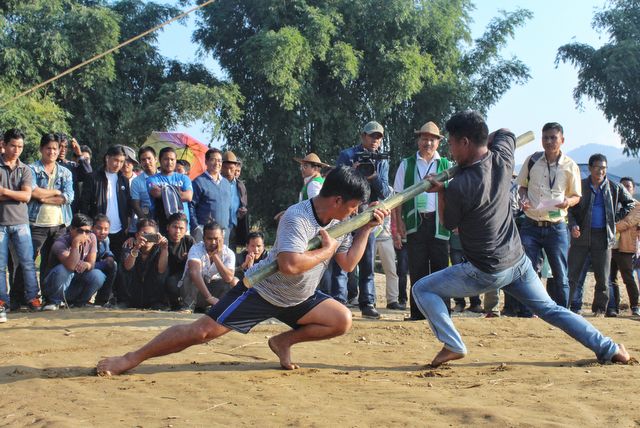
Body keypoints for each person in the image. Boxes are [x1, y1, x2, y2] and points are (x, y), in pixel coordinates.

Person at [96, 166, 388, 375]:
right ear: (337, 200)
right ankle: (132, 358)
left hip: (300, 297)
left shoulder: (342, 222)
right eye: (353, 208)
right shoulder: (297, 217)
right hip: (262, 289)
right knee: (202, 332)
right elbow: (289, 266)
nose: (354, 212)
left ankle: (283, 341)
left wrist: (365, 230)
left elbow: (348, 263)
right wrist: (326, 250)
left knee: (341, 320)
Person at [411, 110, 630, 367]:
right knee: (552, 310)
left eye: (451, 142)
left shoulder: (461, 185)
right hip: (517, 262)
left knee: (422, 288)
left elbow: (448, 223)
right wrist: (485, 141)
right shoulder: (503, 158)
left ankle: (452, 343)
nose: (450, 149)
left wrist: (440, 191)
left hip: (485, 270)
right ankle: (609, 348)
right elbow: (506, 134)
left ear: (465, 142)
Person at [516, 122, 581, 310]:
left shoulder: (570, 166)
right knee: (527, 272)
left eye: (553, 137)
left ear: (562, 140)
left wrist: (567, 202)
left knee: (560, 274)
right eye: (545, 137)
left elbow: (577, 196)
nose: (549, 141)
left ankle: (563, 314)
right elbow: (522, 187)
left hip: (556, 226)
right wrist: (523, 199)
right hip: (531, 224)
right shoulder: (532, 160)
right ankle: (528, 313)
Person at [332, 121, 391, 319]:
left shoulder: (382, 160)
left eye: (379, 137)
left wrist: (373, 176)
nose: (375, 140)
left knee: (367, 261)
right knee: (341, 258)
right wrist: (353, 172)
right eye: (372, 135)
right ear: (363, 136)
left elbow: (384, 191)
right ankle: (339, 302)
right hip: (347, 212)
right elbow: (337, 183)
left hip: (368, 214)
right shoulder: (347, 155)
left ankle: (368, 302)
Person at [393, 121, 450, 321]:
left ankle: (443, 314)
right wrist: (398, 225)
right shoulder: (406, 163)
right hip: (415, 222)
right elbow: (397, 197)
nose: (428, 143)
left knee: (441, 271)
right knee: (417, 270)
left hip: (439, 223)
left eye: (432, 139)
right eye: (424, 138)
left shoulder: (446, 165)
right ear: (418, 140)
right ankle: (417, 314)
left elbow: (454, 195)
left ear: (438, 143)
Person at [567, 154, 635, 316]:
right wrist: (573, 224)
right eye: (597, 167)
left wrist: (614, 218)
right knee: (573, 274)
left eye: (603, 168)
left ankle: (599, 310)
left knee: (603, 277)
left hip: (603, 236)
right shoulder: (580, 186)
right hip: (581, 235)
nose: (601, 171)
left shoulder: (614, 187)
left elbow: (630, 203)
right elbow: (570, 209)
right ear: (590, 168)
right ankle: (566, 306)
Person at [12, 134, 74, 310]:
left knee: (52, 262)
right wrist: (55, 192)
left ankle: (50, 299)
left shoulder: (65, 172)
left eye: (55, 148)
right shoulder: (31, 169)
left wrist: (44, 195)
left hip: (59, 223)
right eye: (48, 148)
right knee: (27, 261)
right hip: (36, 223)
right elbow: (32, 193)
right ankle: (18, 298)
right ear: (41, 149)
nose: (52, 152)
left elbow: (68, 197)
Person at [0, 129, 41, 318]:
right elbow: (22, 194)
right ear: (4, 144)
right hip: (1, 223)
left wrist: (4, 192)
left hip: (21, 222)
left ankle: (33, 297)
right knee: (0, 266)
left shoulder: (25, 169)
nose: (17, 150)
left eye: (20, 146)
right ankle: (2, 301)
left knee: (27, 263)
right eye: (13, 145)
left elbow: (26, 196)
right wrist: (15, 193)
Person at [79, 145, 131, 265]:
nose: (118, 164)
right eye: (116, 160)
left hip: (119, 230)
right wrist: (87, 227)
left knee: (116, 265)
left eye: (122, 161)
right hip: (97, 231)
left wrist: (127, 223)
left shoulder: (124, 180)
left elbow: (128, 203)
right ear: (107, 158)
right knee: (96, 264)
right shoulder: (93, 178)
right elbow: (84, 204)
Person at [42, 213, 106, 310]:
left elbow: (92, 264)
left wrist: (86, 264)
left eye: (87, 231)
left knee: (98, 275)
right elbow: (71, 266)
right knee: (63, 269)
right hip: (55, 284)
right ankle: (54, 302)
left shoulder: (92, 237)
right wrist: (75, 244)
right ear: (72, 229)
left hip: (74, 282)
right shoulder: (60, 243)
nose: (84, 235)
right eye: (80, 231)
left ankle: (79, 303)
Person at [178, 221, 236, 312]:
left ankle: (217, 309)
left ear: (222, 238)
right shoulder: (195, 249)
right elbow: (194, 272)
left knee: (233, 281)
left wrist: (215, 256)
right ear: (204, 238)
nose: (213, 242)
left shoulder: (229, 253)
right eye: (209, 239)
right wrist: (209, 297)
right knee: (191, 273)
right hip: (197, 294)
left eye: (216, 239)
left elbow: (228, 278)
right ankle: (188, 307)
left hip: (215, 294)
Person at [120, 218, 169, 309]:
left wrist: (164, 249)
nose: (147, 238)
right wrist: (136, 248)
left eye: (151, 235)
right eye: (144, 234)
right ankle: (125, 301)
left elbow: (161, 270)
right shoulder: (130, 245)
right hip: (131, 294)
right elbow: (127, 267)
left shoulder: (160, 248)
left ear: (157, 236)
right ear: (137, 235)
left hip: (154, 297)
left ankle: (156, 303)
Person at [608, 177, 640, 316]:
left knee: (628, 278)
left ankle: (634, 306)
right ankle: (613, 308)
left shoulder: (637, 206)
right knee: (610, 278)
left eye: (628, 186)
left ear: (633, 189)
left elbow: (627, 223)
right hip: (610, 247)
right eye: (623, 187)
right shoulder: (612, 204)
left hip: (626, 248)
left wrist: (607, 227)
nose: (625, 189)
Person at [147, 147, 193, 234]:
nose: (169, 162)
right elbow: (156, 193)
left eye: (172, 159)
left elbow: (188, 196)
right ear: (160, 161)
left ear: (176, 161)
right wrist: (178, 191)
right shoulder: (152, 179)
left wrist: (164, 190)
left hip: (182, 225)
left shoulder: (184, 178)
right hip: (161, 224)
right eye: (166, 159)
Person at [189, 148, 231, 242]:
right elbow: (191, 205)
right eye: (213, 160)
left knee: (222, 257)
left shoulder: (226, 183)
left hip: (223, 232)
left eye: (219, 161)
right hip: (205, 231)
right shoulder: (198, 182)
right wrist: (196, 227)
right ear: (206, 161)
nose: (217, 163)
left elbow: (229, 207)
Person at [163, 212, 195, 310]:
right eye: (174, 227)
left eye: (181, 228)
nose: (177, 231)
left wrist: (189, 258)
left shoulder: (189, 241)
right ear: (168, 227)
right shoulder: (162, 240)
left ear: (186, 230)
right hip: (164, 274)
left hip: (183, 275)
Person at [57, 134, 92, 214]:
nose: (63, 150)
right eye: (60, 146)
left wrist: (79, 154)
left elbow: (89, 174)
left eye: (65, 147)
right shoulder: (45, 166)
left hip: (70, 211)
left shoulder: (71, 166)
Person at [221, 151, 248, 252]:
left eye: (231, 169)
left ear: (236, 167)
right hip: (219, 227)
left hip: (233, 227)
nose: (228, 172)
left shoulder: (240, 186)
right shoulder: (216, 183)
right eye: (225, 168)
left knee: (231, 256)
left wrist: (243, 211)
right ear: (221, 167)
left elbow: (244, 204)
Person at [92, 214, 118, 307]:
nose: (102, 232)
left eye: (106, 229)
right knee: (96, 275)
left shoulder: (106, 239)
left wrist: (110, 256)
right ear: (92, 227)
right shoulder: (87, 238)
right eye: (99, 228)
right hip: (84, 268)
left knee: (113, 264)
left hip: (96, 265)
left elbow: (107, 251)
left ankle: (101, 300)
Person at [130, 146, 157, 222]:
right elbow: (136, 205)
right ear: (140, 162)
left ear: (155, 159)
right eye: (143, 160)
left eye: (149, 158)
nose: (147, 162)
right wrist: (146, 222)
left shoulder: (164, 177)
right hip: (147, 220)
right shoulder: (136, 181)